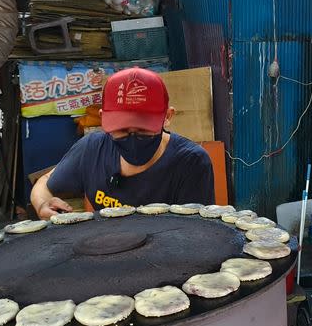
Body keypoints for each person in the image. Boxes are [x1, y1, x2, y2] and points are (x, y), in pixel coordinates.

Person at [30, 67, 214, 219]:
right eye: (122, 130)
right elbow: (45, 183)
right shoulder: (92, 150)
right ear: (104, 119)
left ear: (167, 117)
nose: (133, 138)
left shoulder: (191, 163)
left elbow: (193, 236)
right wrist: (43, 205)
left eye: (143, 129)